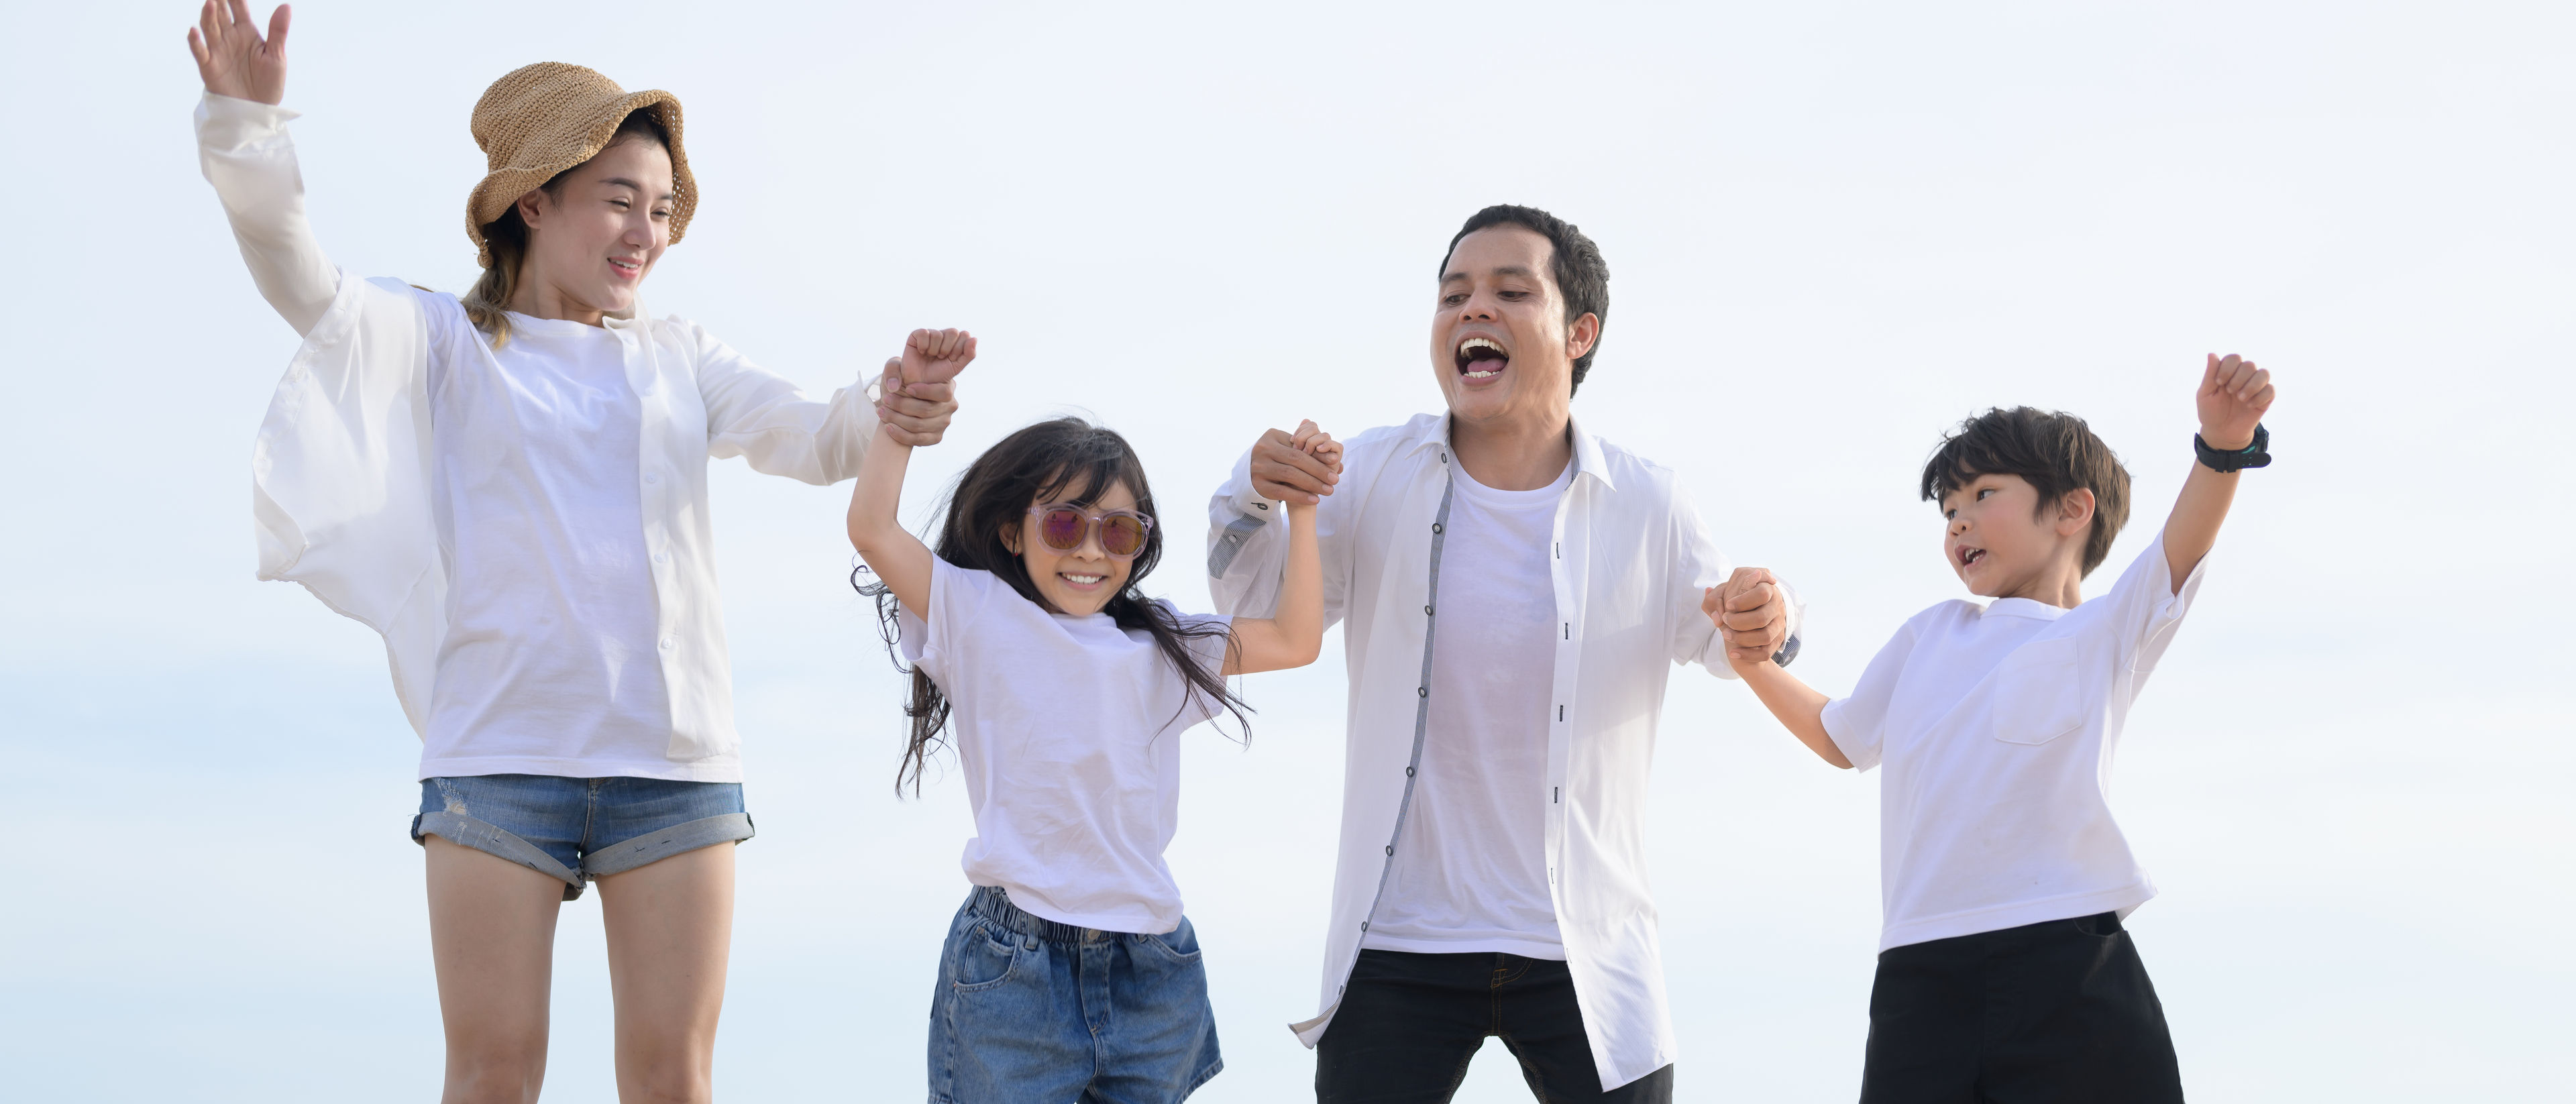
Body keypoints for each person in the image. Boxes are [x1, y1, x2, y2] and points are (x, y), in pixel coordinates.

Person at [184, 4, 962, 1101]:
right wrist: (245, 124)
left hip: (674, 765)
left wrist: (897, 397)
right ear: (534, 201)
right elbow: (299, 276)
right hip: (499, 757)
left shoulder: (680, 357)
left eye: (659, 210)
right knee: (494, 1073)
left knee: (670, 1080)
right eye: (618, 202)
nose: (644, 232)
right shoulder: (446, 344)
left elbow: (816, 433)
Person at [1207, 205, 1803, 1103]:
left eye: (1510, 291)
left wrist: (1773, 613)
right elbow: (1251, 607)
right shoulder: (1369, 474)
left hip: (1588, 948)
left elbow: (1748, 643)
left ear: (1580, 332)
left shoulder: (1650, 503)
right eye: (1454, 294)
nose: (1472, 310)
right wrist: (1251, 496)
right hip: (1399, 936)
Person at [1724, 356, 2279, 1102]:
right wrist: (1750, 661)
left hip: (2066, 960)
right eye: (1949, 507)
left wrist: (2221, 445)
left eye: (1984, 494)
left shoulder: (2101, 634)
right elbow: (1841, 734)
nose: (1959, 520)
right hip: (1920, 970)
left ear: (2072, 511)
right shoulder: (1930, 634)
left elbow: (2182, 546)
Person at [845, 378, 1343, 1103]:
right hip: (1014, 965)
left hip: (1152, 968)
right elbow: (872, 528)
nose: (1090, 551)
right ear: (1014, 531)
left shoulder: (1166, 646)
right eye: (1063, 525)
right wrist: (900, 423)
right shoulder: (979, 614)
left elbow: (1299, 639)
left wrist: (1303, 509)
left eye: (1118, 531)